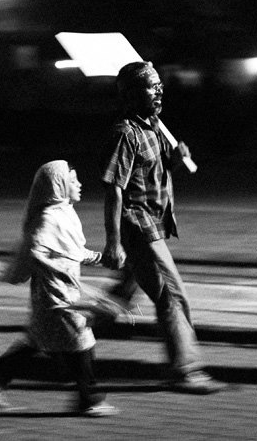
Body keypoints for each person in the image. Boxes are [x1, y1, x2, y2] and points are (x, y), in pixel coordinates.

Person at [100, 61, 226, 394]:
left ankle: (77, 332)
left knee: (133, 294)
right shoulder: (126, 134)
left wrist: (174, 159)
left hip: (154, 223)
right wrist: (113, 242)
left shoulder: (152, 127)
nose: (159, 91)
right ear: (130, 94)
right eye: (151, 86)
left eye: (159, 85)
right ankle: (185, 370)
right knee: (172, 295)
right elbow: (114, 188)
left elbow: (155, 171)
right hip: (138, 227)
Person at [0, 160, 120, 417]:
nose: (79, 184)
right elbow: (35, 250)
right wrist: (54, 269)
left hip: (63, 292)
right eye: (73, 180)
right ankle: (88, 399)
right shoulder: (48, 218)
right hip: (54, 296)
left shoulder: (64, 214)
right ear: (59, 186)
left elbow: (72, 252)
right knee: (81, 339)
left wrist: (101, 258)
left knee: (36, 341)